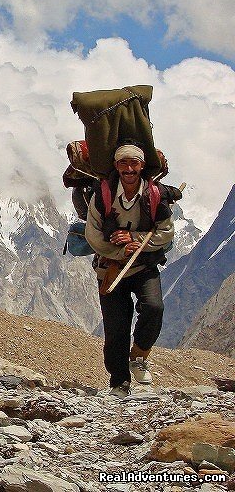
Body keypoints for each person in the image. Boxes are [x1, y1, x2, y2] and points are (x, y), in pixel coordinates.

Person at [85, 142, 174, 398]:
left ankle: (139, 355)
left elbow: (166, 232)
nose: (129, 168)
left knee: (154, 308)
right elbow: (93, 235)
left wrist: (135, 239)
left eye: (134, 163)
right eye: (123, 163)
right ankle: (119, 381)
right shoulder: (102, 195)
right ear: (116, 166)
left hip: (144, 265)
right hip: (110, 269)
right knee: (116, 327)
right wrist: (120, 252)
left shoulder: (155, 195)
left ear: (142, 166)